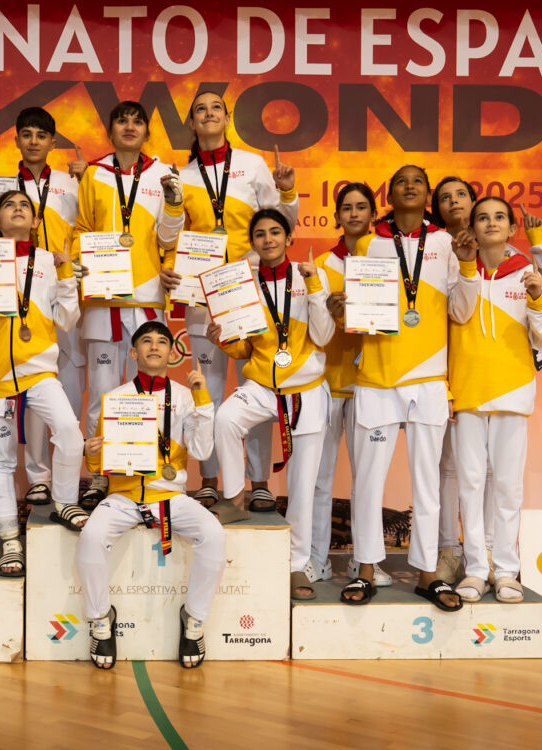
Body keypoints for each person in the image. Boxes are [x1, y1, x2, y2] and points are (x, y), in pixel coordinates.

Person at [157, 91, 298, 510]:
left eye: (215, 107)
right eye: (200, 109)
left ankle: (258, 481)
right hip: (201, 293)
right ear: (191, 122)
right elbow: (170, 236)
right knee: (209, 390)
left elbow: (280, 224)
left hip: (250, 290)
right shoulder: (182, 176)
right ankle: (209, 477)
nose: (208, 113)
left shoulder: (252, 165)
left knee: (255, 388)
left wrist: (288, 193)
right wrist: (169, 267)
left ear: (226, 117)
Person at [343, 165, 474, 611]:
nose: (410, 186)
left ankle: (427, 574)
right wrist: (345, 308)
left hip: (429, 379)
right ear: (391, 194)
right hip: (377, 378)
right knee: (367, 483)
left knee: (427, 485)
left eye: (418, 181)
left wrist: (468, 264)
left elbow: (461, 311)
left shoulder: (446, 243)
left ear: (428, 194)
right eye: (401, 181)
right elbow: (360, 311)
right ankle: (365, 570)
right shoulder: (368, 244)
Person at [429, 177, 542, 585]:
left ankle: (506, 571)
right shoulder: (458, 270)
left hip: (513, 391)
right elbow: (459, 313)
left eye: (499, 217)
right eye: (483, 217)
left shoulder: (526, 273)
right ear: (471, 226)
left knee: (507, 487)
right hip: (468, 392)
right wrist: (467, 267)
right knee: (470, 486)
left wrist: (538, 298)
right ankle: (476, 569)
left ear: (512, 228)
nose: (491, 223)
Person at [78, 321, 222, 669]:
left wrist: (203, 399)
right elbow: (101, 464)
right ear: (133, 352)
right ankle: (101, 620)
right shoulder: (116, 398)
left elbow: (202, 451)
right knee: (91, 538)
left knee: (214, 535)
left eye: (161, 341)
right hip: (123, 498)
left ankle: (194, 619)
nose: (154, 346)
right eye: (146, 341)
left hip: (170, 495)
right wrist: (92, 454)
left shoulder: (186, 396)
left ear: (173, 353)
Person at [0, 190, 83, 576]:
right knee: (1, 460)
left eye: (25, 205)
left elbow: (67, 319)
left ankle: (64, 502)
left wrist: (65, 274)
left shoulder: (48, 261)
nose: (18, 209)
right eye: (9, 206)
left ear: (36, 221)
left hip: (39, 369)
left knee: (69, 432)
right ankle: (10, 541)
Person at [0, 107, 86, 508]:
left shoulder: (71, 184)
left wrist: (69, 272)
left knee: (61, 398)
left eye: (41, 134)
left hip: (54, 293)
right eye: (26, 134)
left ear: (53, 141)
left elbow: (88, 228)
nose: (34, 141)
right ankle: (37, 477)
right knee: (28, 395)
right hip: (8, 324)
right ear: (16, 139)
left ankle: (67, 488)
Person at [209, 209, 333, 601]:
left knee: (302, 486)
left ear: (289, 238)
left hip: (306, 389)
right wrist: (222, 339)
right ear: (253, 242)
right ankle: (234, 498)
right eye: (260, 234)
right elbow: (244, 349)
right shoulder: (243, 283)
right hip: (262, 385)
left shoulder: (310, 275)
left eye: (275, 232)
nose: (268, 240)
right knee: (226, 418)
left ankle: (297, 565)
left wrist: (315, 288)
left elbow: (323, 336)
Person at [72, 101, 173, 507]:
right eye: (122, 121)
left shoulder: (163, 174)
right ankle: (99, 475)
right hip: (104, 298)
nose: (130, 127)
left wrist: (169, 264)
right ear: (110, 130)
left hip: (147, 296)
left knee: (145, 391)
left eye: (137, 121)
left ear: (147, 131)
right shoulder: (94, 174)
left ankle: (141, 472)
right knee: (102, 393)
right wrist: (83, 261)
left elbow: (171, 235)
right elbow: (81, 228)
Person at [310, 183, 382, 586]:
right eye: (347, 208)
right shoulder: (322, 265)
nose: (354, 214)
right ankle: (316, 559)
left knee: (366, 481)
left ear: (373, 214)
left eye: (361, 207)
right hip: (326, 382)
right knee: (320, 479)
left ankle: (364, 562)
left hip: (370, 384)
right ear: (337, 216)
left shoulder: (387, 260)